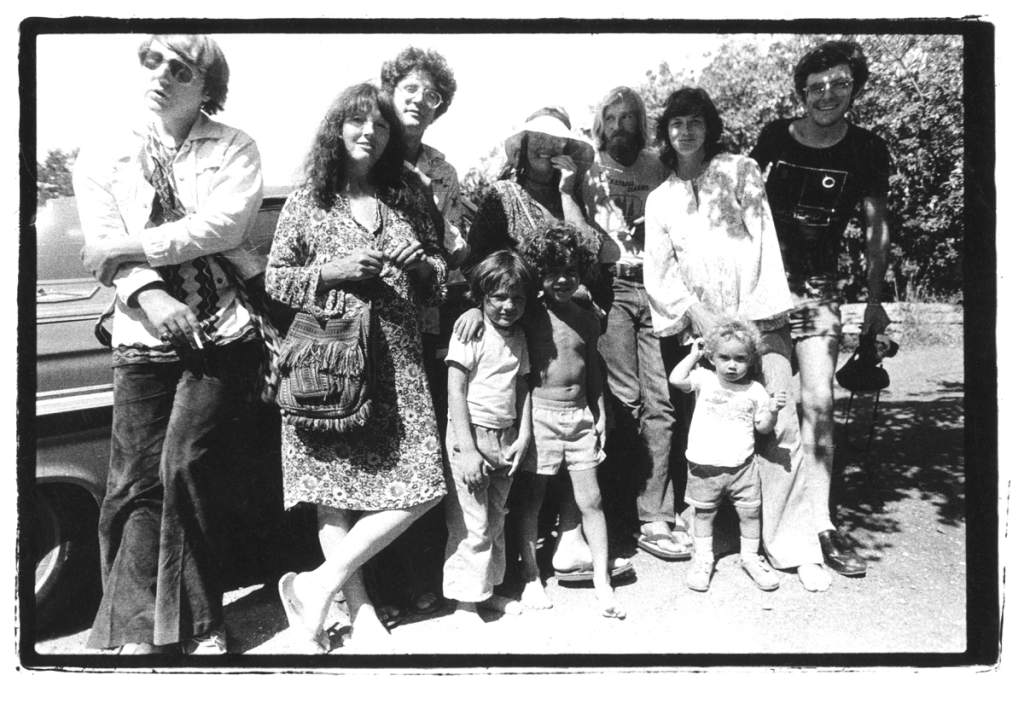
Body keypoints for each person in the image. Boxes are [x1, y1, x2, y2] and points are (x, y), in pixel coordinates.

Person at [74, 34, 265, 655]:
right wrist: (152, 295)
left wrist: (130, 249)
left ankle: (203, 625)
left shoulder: (234, 145)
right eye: (152, 61)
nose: (161, 75)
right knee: (132, 483)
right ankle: (138, 632)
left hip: (221, 334)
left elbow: (227, 225)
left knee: (184, 470)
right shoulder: (105, 151)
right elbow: (99, 240)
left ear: (206, 86)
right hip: (139, 333)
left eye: (180, 69)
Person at [265, 82, 447, 653]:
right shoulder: (306, 200)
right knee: (332, 488)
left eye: (381, 126)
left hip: (399, 361)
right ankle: (359, 610)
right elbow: (275, 280)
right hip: (330, 355)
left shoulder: (403, 195)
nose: (370, 133)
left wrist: (422, 268)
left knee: (423, 486)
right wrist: (333, 270)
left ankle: (316, 584)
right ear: (335, 130)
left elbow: (436, 277)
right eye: (357, 122)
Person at [643, 88, 831, 590]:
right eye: (676, 123)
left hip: (758, 319)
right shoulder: (660, 199)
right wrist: (696, 315)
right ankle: (717, 539)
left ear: (710, 127)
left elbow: (765, 244)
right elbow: (658, 274)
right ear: (665, 131)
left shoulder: (739, 170)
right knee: (715, 430)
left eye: (695, 122)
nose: (685, 131)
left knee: (780, 426)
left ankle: (795, 548)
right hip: (703, 333)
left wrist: (750, 324)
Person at [456, 107, 629, 585]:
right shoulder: (501, 196)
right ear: (522, 146)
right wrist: (476, 305)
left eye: (557, 143)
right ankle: (520, 562)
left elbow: (592, 258)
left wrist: (569, 193)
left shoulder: (575, 195)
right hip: (521, 329)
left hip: (573, 329)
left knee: (577, 437)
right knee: (529, 450)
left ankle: (570, 540)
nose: (546, 150)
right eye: (538, 141)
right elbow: (477, 262)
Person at [750, 40, 891, 580]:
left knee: (819, 400)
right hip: (764, 289)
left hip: (815, 289)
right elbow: (738, 204)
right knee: (769, 398)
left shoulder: (867, 149)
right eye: (815, 87)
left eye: (838, 84)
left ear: (854, 88)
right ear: (801, 93)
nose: (826, 95)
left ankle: (820, 521)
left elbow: (877, 228)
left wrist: (875, 302)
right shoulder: (772, 138)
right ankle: (760, 521)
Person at [581, 87, 683, 560]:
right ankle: (617, 511)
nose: (621, 125)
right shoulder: (588, 165)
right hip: (613, 287)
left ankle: (656, 515)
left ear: (642, 123)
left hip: (656, 288)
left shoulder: (656, 166)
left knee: (661, 403)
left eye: (630, 117)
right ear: (602, 123)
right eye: (613, 118)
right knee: (624, 400)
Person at [513, 223, 626, 619]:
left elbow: (591, 366)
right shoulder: (528, 315)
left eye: (571, 272)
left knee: (591, 499)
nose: (562, 280)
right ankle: (530, 576)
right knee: (533, 498)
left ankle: (602, 581)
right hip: (539, 414)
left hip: (579, 417)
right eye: (552, 272)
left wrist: (600, 411)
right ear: (538, 272)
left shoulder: (588, 318)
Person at [443, 250, 534, 624]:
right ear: (481, 295)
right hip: (471, 436)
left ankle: (486, 592)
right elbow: (455, 389)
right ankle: (464, 603)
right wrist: (467, 450)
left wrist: (524, 433)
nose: (508, 305)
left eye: (517, 298)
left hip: (506, 436)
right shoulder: (471, 330)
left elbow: (523, 384)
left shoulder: (520, 335)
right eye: (498, 297)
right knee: (471, 524)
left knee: (495, 520)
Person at [669, 319, 787, 592]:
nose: (732, 365)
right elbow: (676, 379)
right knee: (704, 514)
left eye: (740, 359)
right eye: (724, 358)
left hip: (742, 467)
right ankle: (703, 559)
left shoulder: (755, 390)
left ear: (751, 360)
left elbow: (763, 428)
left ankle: (750, 558)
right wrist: (693, 356)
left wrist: (772, 410)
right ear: (712, 357)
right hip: (705, 465)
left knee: (750, 514)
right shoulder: (705, 379)